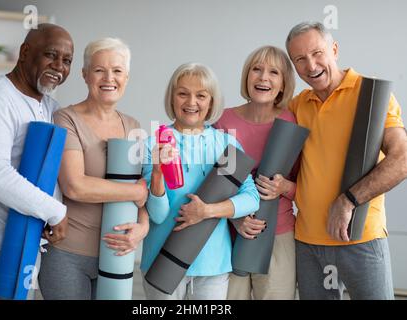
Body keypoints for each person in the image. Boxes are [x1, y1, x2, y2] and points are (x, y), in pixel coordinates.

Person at [285, 21, 407, 300]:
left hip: (361, 237)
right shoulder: (297, 104)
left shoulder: (373, 96)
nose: (311, 65)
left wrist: (348, 200)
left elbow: (402, 159)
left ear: (335, 49)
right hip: (308, 242)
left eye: (317, 53)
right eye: (300, 59)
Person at [0, 23, 74, 300]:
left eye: (67, 60)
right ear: (25, 52)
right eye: (50, 55)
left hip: (24, 241)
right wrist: (55, 212)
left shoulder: (48, 106)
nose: (58, 66)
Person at [37, 38, 149, 300]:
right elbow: (75, 185)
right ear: (85, 75)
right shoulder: (66, 119)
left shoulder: (132, 125)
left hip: (116, 256)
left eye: (117, 71)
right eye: (99, 70)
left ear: (127, 77)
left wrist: (142, 227)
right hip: (68, 255)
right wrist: (134, 192)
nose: (109, 78)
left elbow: (144, 192)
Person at [140, 62, 260, 300]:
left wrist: (208, 211)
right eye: (183, 93)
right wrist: (157, 173)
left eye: (201, 95)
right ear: (172, 98)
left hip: (212, 264)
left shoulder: (225, 144)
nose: (191, 102)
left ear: (211, 101)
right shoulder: (152, 145)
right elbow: (157, 215)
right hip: (161, 261)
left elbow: (251, 198)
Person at [214, 46, 298, 300]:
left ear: (283, 84)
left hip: (278, 234)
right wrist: (234, 219)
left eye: (274, 72)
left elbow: (303, 186)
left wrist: (283, 187)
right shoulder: (223, 122)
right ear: (246, 76)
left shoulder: (292, 123)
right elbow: (212, 185)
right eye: (257, 69)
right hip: (227, 235)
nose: (263, 78)